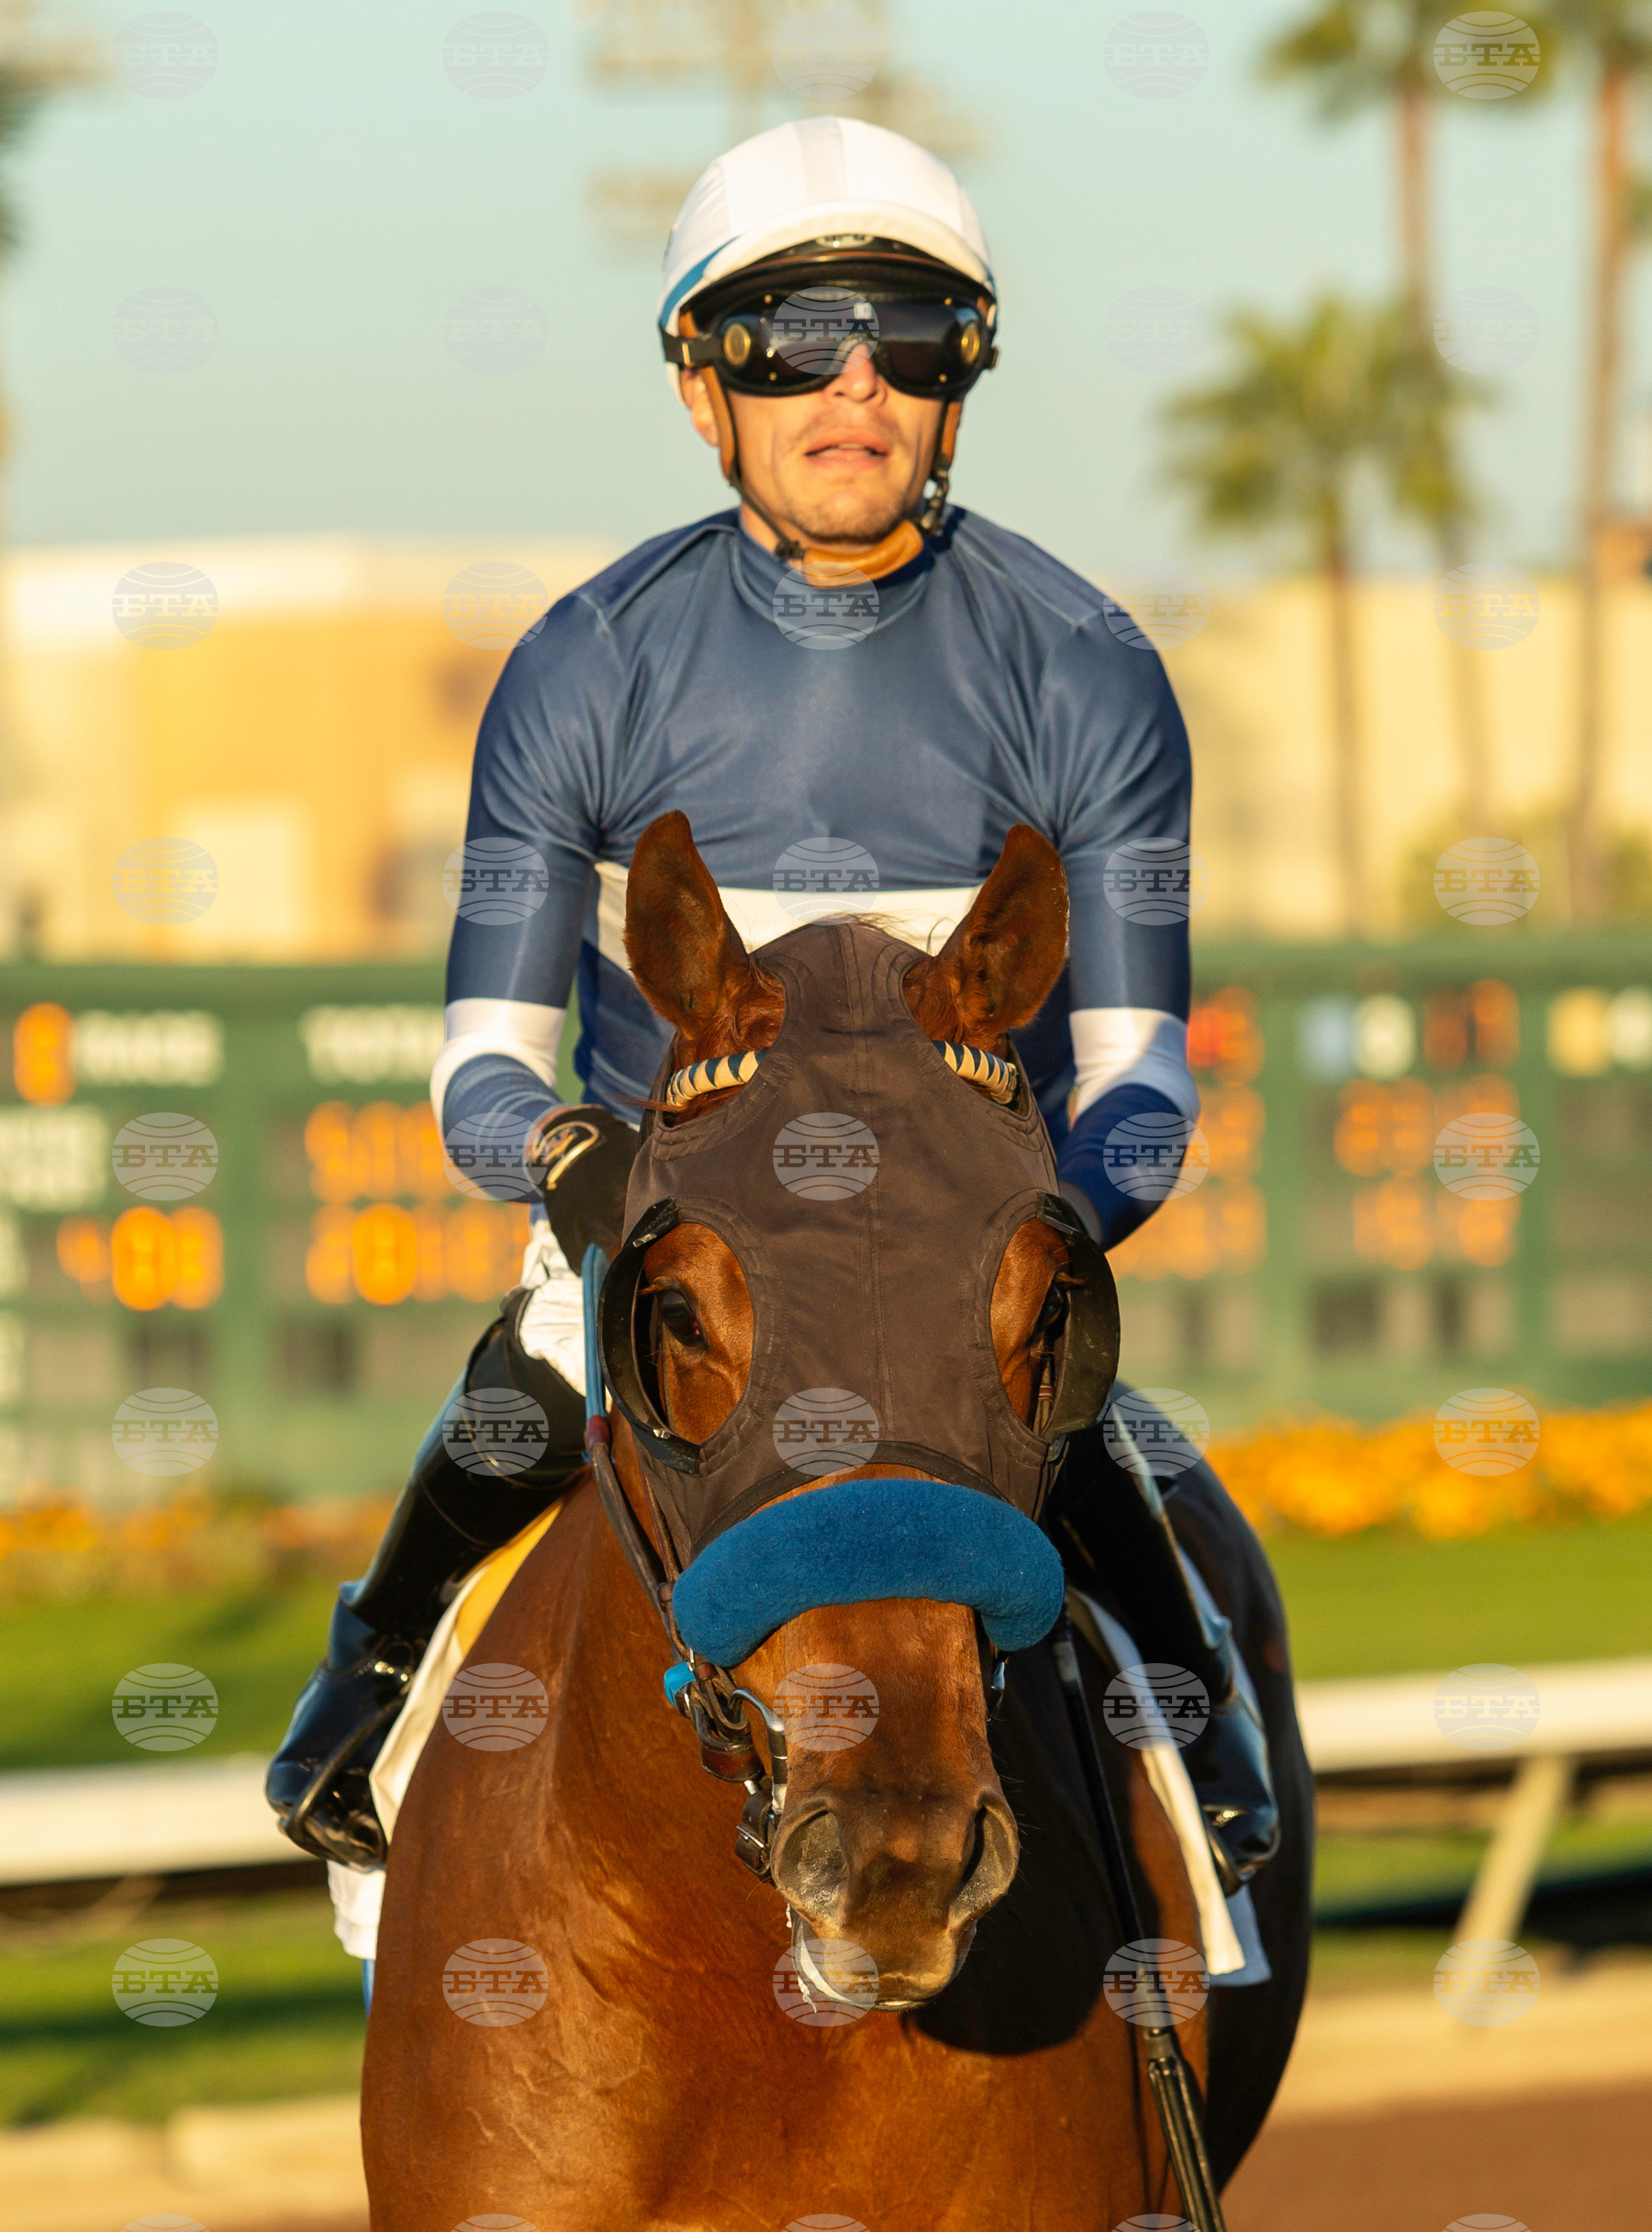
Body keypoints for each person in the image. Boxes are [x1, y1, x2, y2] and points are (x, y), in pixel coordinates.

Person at [266, 115, 1276, 1892]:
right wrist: (604, 1186)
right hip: (675, 1240)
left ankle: (1201, 1728)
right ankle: (374, 1672)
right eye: (793, 338)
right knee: (553, 1355)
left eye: (906, 331)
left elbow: (1140, 1095)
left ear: (965, 374)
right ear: (698, 381)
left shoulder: (1093, 671)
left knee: (1065, 1405)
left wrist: (1023, 1227)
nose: (853, 383)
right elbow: (483, 1072)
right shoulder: (583, 664)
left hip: (967, 1262)